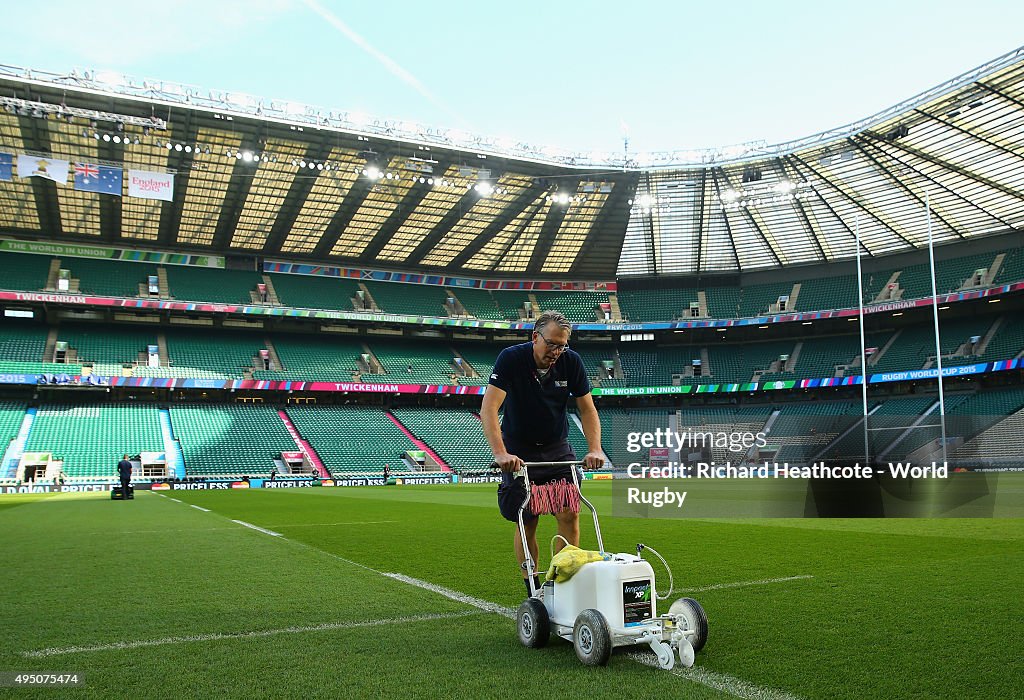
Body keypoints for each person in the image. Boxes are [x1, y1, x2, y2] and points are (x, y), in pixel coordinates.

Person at [481, 310, 605, 597]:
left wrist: (595, 448)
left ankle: (560, 586)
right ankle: (533, 589)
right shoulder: (511, 358)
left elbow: (587, 409)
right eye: (551, 344)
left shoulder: (571, 362)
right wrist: (500, 453)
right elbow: (489, 408)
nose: (556, 351)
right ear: (535, 336)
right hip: (519, 449)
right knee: (527, 519)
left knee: (570, 514)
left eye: (562, 345)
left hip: (556, 448)